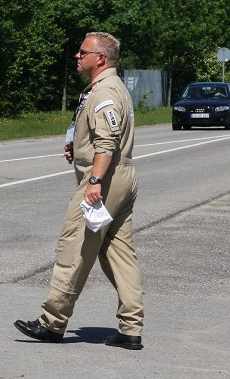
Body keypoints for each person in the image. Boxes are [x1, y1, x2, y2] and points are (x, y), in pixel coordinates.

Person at [14, 32, 144, 349]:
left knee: (74, 248)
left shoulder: (105, 93)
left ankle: (52, 322)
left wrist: (95, 181)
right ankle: (131, 328)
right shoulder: (109, 88)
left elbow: (107, 142)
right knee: (118, 253)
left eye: (82, 52)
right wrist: (78, 145)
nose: (76, 55)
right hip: (121, 175)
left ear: (99, 58)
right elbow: (100, 136)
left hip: (106, 178)